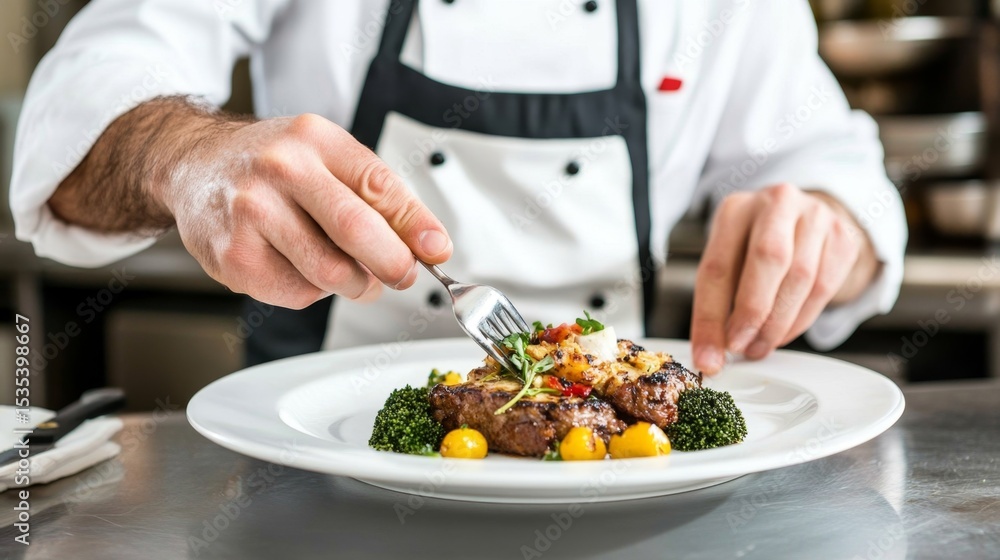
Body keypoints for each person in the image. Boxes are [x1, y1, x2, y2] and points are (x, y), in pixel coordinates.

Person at [10, 0, 906, 374]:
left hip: (624, 482)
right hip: (312, 482)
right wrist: (184, 155)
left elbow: (833, 166)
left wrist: (827, 222)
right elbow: (79, 108)